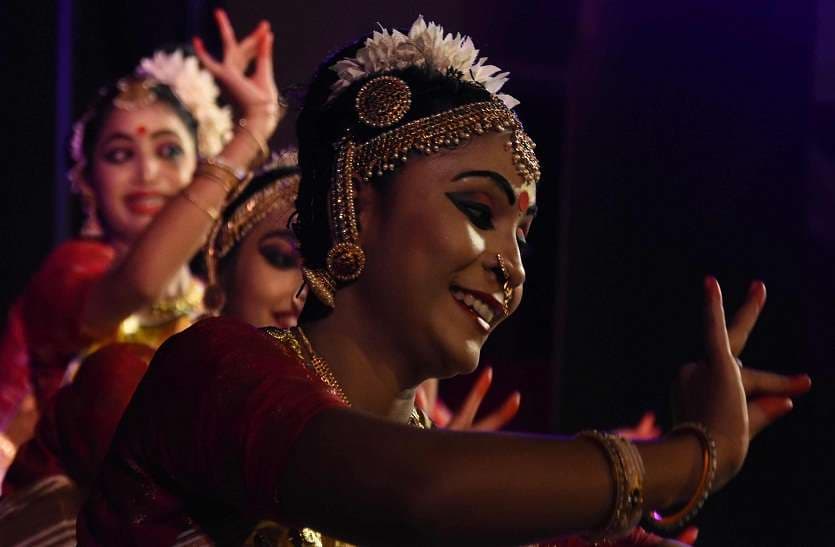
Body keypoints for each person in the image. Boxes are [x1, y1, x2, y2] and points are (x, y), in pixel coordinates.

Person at [78, 16, 810, 546]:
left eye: (521, 235)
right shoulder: (207, 370)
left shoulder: (444, 479)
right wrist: (692, 456)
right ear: (356, 204)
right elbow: (413, 495)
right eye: (476, 210)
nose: (511, 265)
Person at [0, 9, 280, 475]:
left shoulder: (212, 302)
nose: (147, 173)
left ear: (198, 168)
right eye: (119, 155)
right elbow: (138, 286)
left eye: (168, 151)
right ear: (87, 182)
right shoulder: (71, 275)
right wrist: (255, 125)